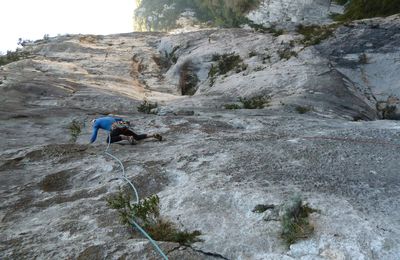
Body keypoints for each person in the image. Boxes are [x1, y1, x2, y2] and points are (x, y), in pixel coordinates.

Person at [89, 116, 162, 144]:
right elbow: (120, 119)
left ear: (93, 122)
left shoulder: (96, 123)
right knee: (137, 137)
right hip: (123, 127)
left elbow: (94, 134)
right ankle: (152, 135)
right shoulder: (107, 117)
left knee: (108, 140)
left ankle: (127, 138)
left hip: (116, 129)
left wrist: (90, 143)